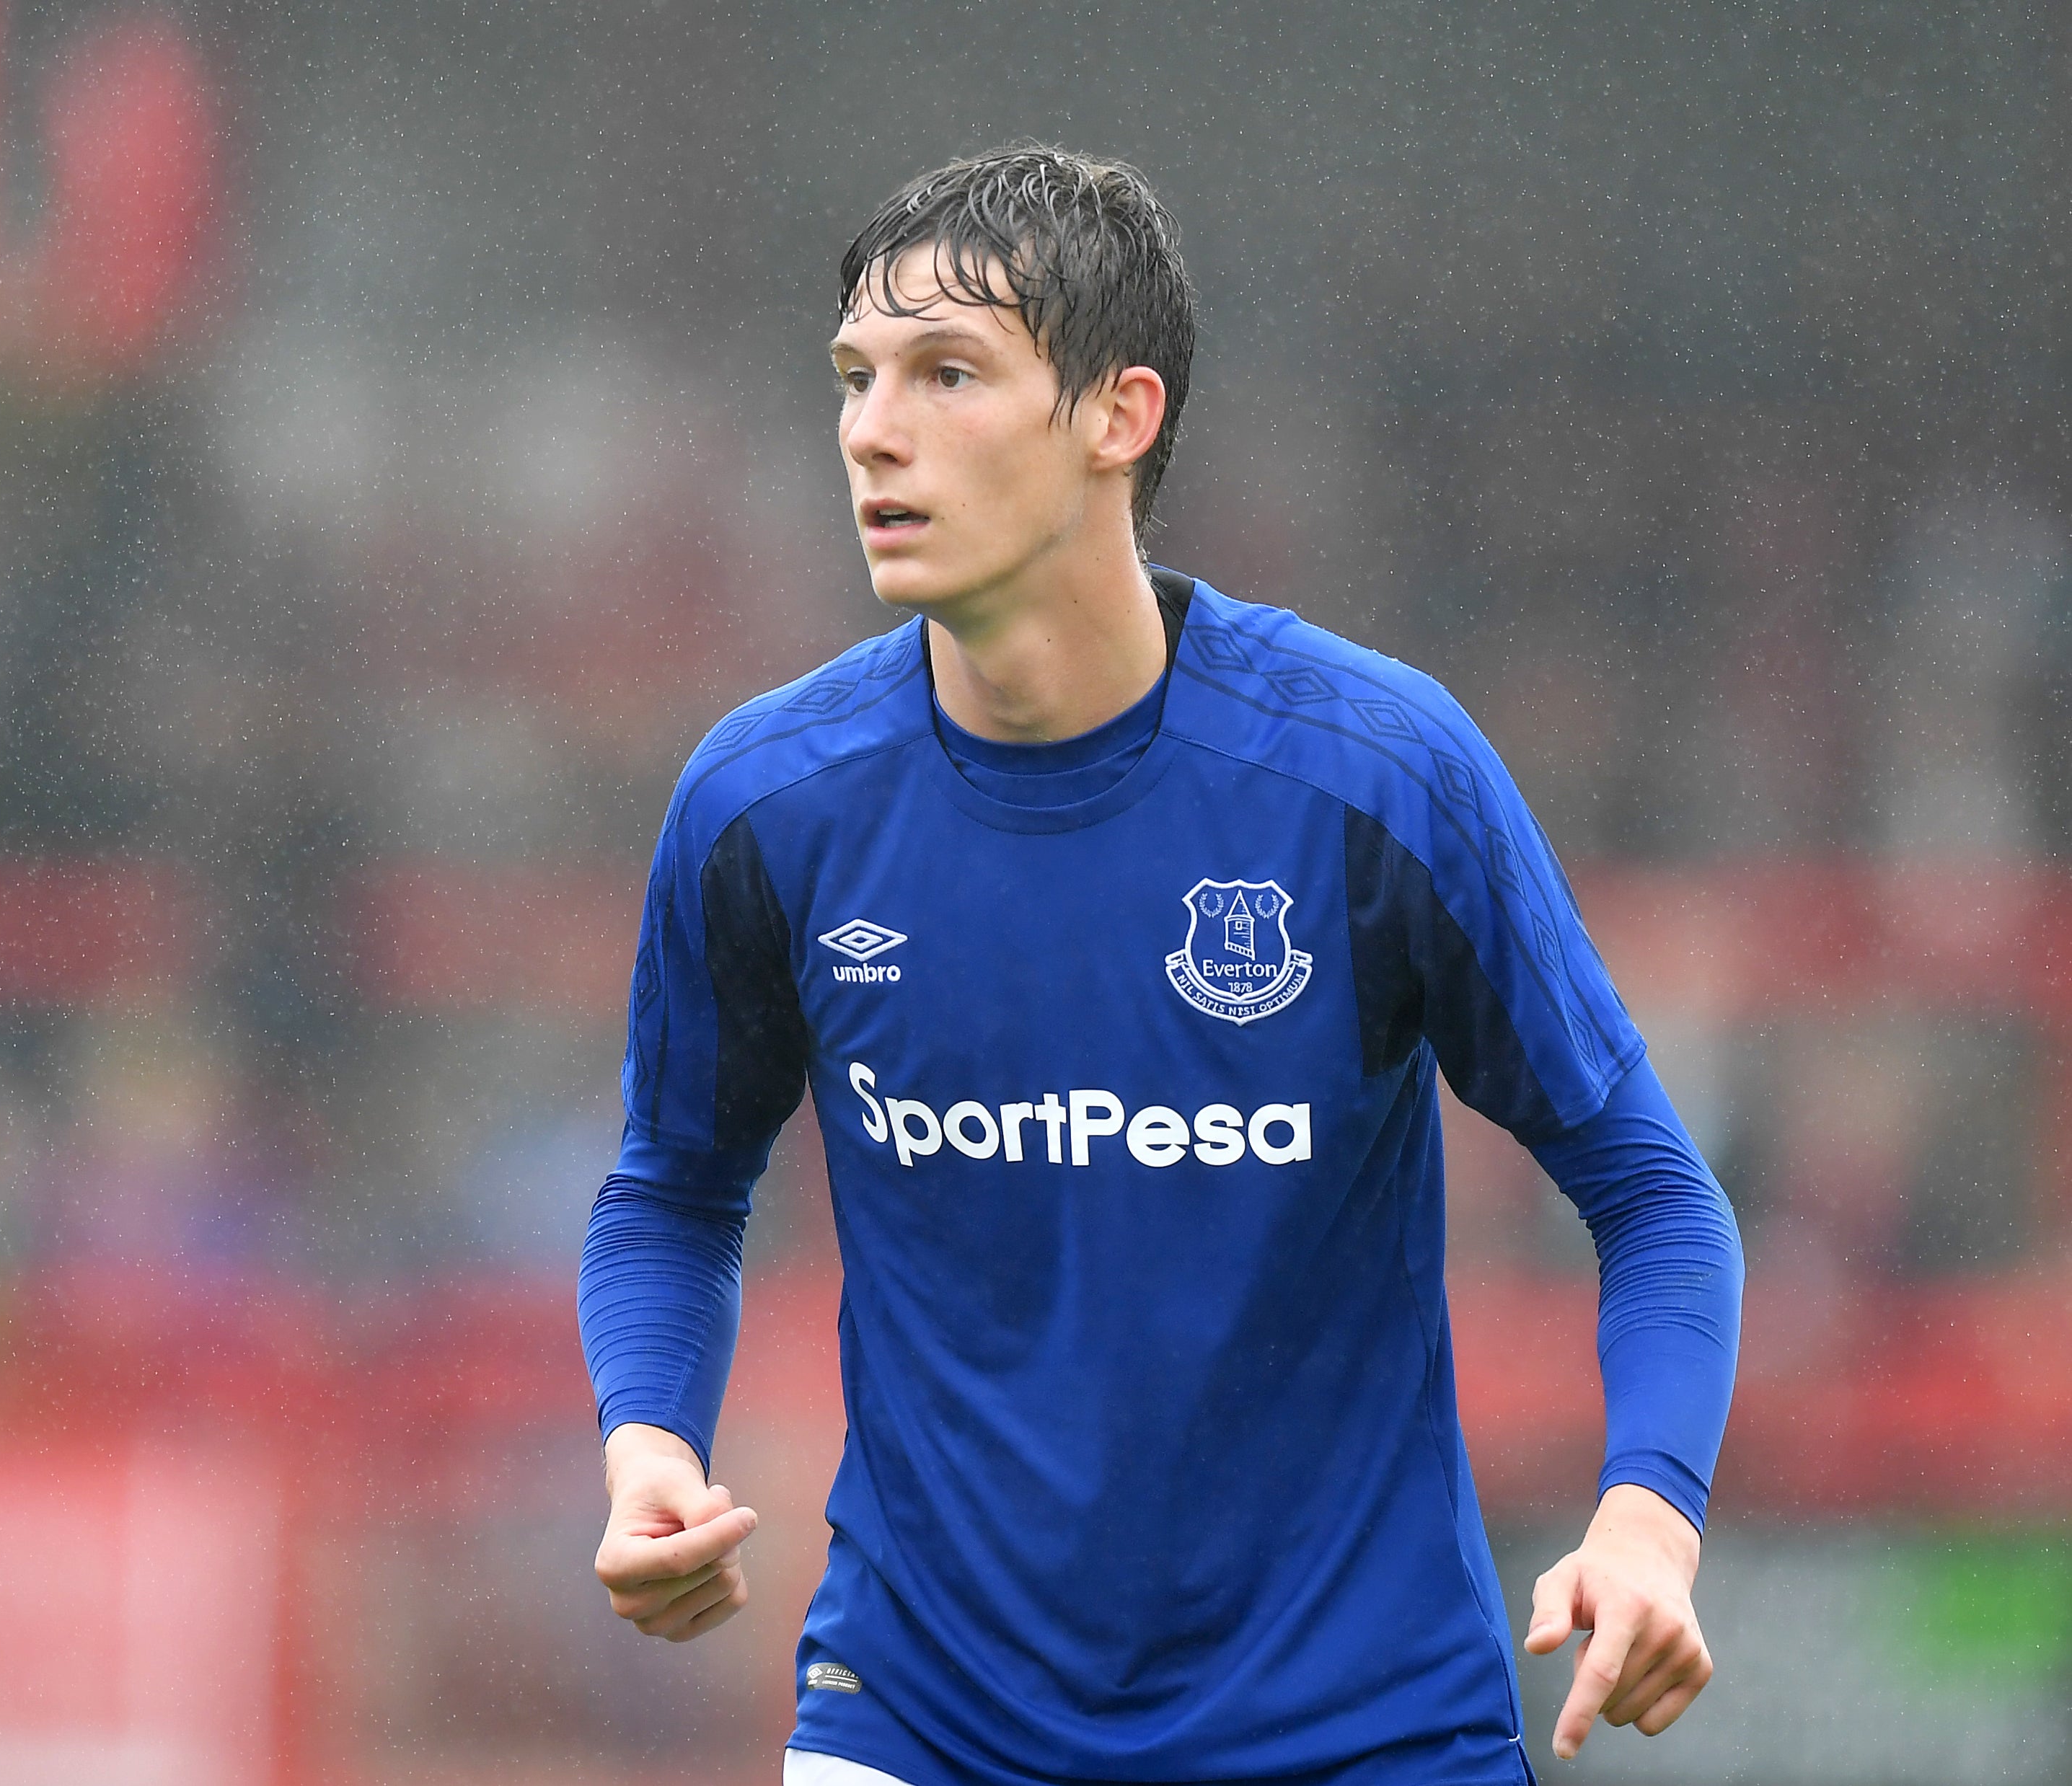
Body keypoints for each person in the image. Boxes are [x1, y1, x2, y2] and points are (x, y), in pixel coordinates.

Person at [577, 145, 1743, 1786]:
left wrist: (1649, 1521)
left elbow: (1650, 1192)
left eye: (949, 373)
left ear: (1118, 417)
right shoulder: (768, 808)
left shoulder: (1374, 778)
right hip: (921, 1724)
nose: (870, 430)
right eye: (855, 378)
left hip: (1356, 1729)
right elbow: (672, 1192)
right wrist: (647, 1447)